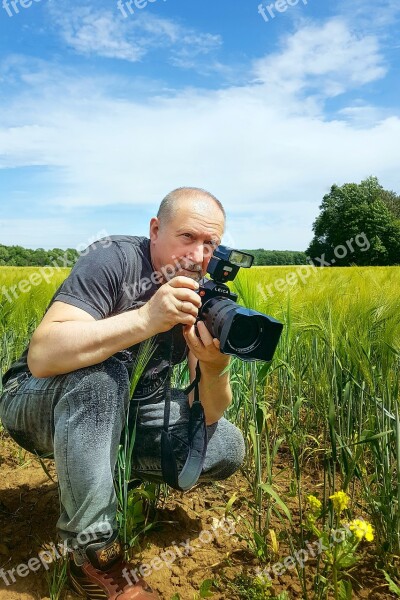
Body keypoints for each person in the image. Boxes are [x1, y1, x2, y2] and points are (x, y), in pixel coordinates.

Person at [0, 187, 246, 600]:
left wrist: (215, 367)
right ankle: (95, 556)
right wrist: (147, 318)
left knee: (224, 443)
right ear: (155, 229)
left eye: (211, 243)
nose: (200, 255)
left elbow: (208, 411)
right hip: (36, 398)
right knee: (102, 378)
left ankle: (102, 477)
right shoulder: (113, 259)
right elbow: (43, 355)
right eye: (187, 237)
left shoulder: (200, 292)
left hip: (126, 409)